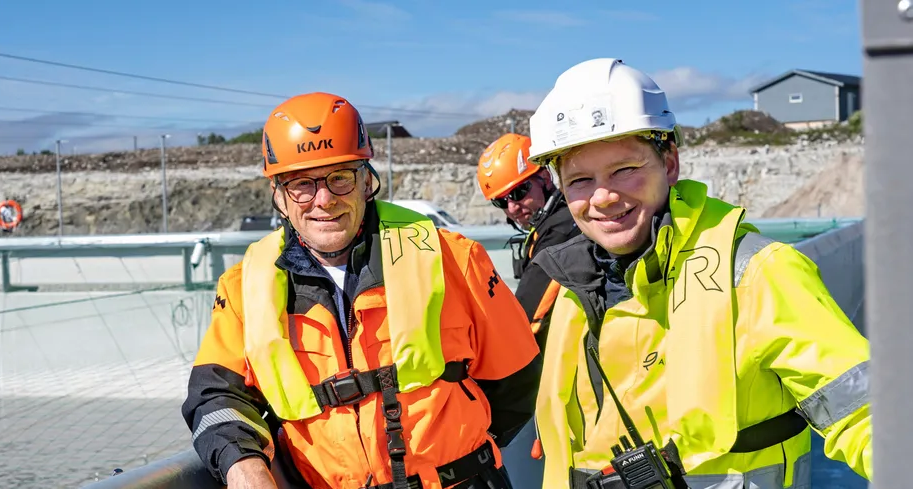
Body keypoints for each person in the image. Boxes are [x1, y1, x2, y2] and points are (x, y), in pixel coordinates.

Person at [525, 58, 871, 488]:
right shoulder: (574, 289)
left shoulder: (753, 272)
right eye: (580, 180)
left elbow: (865, 414)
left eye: (625, 170)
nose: (604, 197)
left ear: (669, 163)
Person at [181, 91, 542, 489]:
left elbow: (518, 380)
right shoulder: (243, 289)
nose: (324, 200)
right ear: (279, 197)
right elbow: (214, 397)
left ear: (366, 180)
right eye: (301, 184)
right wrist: (243, 467)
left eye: (340, 177)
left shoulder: (452, 258)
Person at [476, 133, 580, 349]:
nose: (512, 207)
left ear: (544, 177)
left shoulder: (560, 232)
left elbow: (525, 319)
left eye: (519, 192)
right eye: (501, 201)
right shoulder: (551, 224)